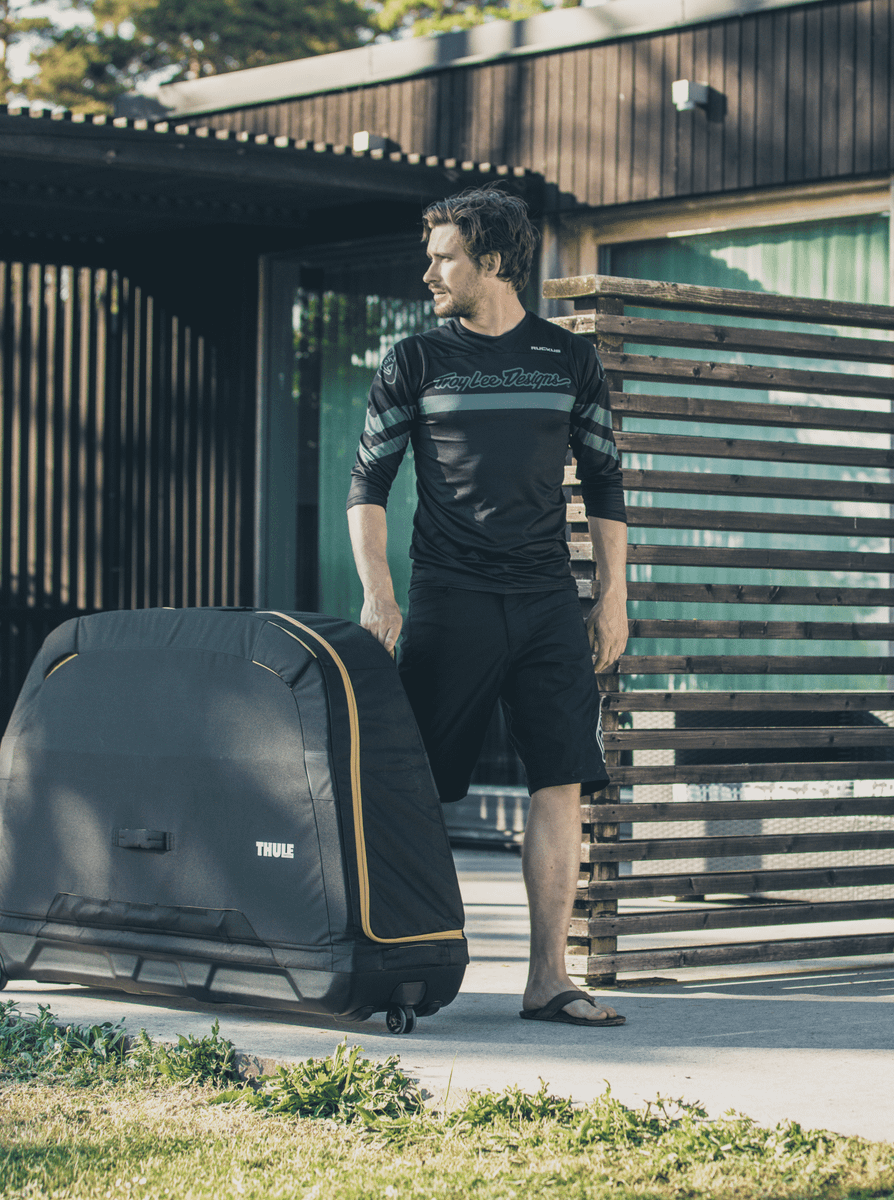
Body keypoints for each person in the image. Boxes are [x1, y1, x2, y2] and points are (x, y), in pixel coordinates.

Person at [346, 187, 628, 1027]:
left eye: (445, 257)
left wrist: (613, 597)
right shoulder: (414, 362)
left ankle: (549, 979)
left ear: (493, 261)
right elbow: (367, 484)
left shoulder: (568, 360)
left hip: (547, 602)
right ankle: (401, 961)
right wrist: (379, 593)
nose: (428, 272)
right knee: (414, 786)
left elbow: (606, 482)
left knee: (561, 779)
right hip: (450, 599)